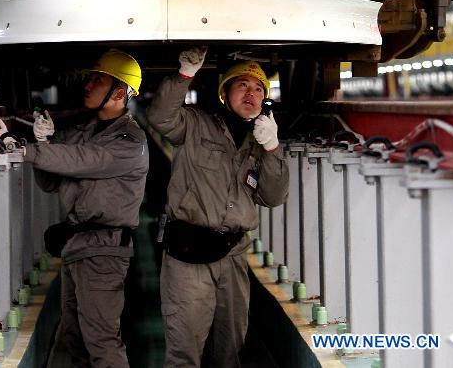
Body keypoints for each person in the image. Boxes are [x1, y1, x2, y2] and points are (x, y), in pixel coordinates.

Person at [147, 47, 289, 368]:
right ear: (225, 93)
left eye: (258, 89)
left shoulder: (260, 143)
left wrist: (273, 147)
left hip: (233, 256)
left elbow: (273, 196)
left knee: (229, 352)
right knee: (184, 353)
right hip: (188, 255)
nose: (251, 93)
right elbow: (159, 117)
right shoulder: (196, 125)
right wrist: (184, 75)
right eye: (242, 86)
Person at [24, 49, 148, 368]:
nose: (88, 85)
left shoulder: (130, 140)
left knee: (102, 340)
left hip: (104, 251)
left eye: (97, 79)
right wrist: (46, 144)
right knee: (75, 338)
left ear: (119, 92)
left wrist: (28, 150)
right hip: (76, 245)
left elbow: (82, 161)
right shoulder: (83, 132)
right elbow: (51, 182)